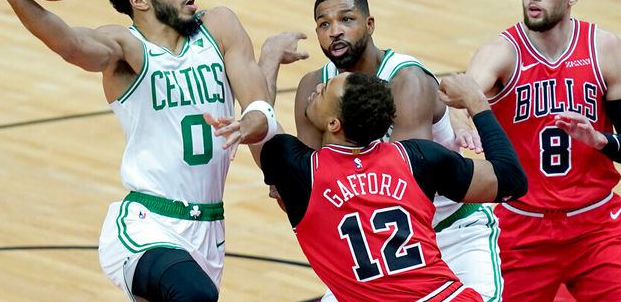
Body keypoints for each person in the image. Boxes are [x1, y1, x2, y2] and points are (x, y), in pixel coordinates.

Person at [0, 0, 278, 301]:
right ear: (139, 1)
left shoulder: (219, 27)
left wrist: (249, 121)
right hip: (146, 224)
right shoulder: (127, 49)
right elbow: (72, 44)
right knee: (193, 296)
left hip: (208, 230)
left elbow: (260, 109)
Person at [208, 71, 527, 301]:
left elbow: (261, 120)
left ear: (334, 124)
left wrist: (270, 60)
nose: (317, 87)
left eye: (325, 90)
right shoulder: (418, 157)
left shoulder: (298, 169)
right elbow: (512, 179)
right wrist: (475, 102)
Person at [274, 0, 504, 301]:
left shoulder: (407, 82)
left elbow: (406, 190)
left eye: (346, 20)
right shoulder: (314, 87)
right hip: (379, 241)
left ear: (370, 25)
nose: (334, 32)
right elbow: (313, 178)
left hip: (450, 234)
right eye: (324, 24)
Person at [462, 0, 621, 301]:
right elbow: (464, 90)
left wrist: (600, 139)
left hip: (597, 228)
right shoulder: (502, 52)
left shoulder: (603, 48)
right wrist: (467, 118)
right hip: (521, 228)